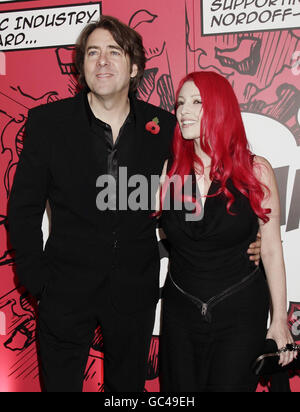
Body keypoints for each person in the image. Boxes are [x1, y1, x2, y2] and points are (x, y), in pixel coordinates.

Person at [8, 16, 261, 392]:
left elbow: (210, 179)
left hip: (135, 292)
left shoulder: (164, 127)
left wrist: (244, 241)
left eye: (114, 51)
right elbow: (23, 211)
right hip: (63, 290)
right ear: (82, 67)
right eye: (92, 52)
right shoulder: (48, 123)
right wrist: (38, 284)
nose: (102, 60)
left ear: (136, 68)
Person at [158, 71, 296, 392]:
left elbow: (273, 249)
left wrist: (279, 321)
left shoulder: (255, 169)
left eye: (196, 102)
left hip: (239, 312)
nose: (182, 111)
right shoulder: (170, 171)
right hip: (180, 312)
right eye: (180, 103)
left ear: (220, 108)